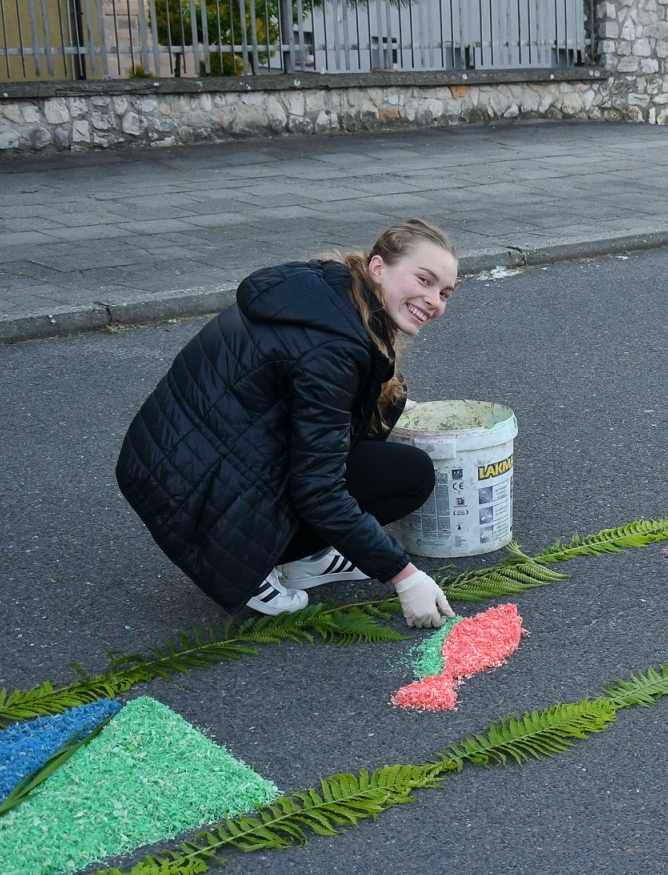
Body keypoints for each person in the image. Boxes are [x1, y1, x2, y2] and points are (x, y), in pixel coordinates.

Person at [116, 219, 459, 627]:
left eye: (444, 293)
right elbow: (318, 489)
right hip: (187, 489)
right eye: (423, 280)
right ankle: (250, 562)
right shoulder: (333, 348)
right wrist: (404, 576)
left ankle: (303, 560)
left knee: (391, 460)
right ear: (378, 267)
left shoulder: (331, 292)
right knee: (409, 476)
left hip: (175, 461)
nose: (433, 301)